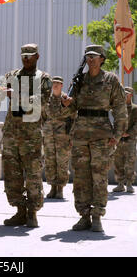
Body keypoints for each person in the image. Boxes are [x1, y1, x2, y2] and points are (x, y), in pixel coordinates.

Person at [49, 45, 127, 232]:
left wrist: (116, 135)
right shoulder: (80, 80)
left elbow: (120, 110)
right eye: (88, 57)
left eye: (94, 56)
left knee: (99, 176)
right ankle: (84, 215)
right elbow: (70, 109)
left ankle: (97, 215)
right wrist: (66, 102)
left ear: (102, 59)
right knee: (81, 177)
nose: (90, 59)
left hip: (102, 135)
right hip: (80, 135)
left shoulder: (110, 80)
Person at [1, 43, 52, 228]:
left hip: (31, 136)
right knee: (12, 175)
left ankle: (32, 212)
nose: (26, 58)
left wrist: (19, 96)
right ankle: (19, 210)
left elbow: (43, 102)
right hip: (11, 133)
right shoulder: (11, 76)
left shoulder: (44, 78)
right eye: (23, 55)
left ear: (37, 56)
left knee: (33, 174)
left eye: (30, 55)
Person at [43, 76, 74, 199]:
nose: (55, 85)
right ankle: (52, 187)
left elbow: (73, 118)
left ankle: (60, 188)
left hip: (63, 136)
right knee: (50, 161)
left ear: (62, 85)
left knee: (62, 162)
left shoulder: (67, 99)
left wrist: (71, 136)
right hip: (49, 135)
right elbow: (43, 116)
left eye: (58, 83)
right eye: (54, 83)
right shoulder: (46, 100)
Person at [112, 86, 137, 194]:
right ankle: (120, 184)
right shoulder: (118, 108)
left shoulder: (135, 108)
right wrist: (117, 133)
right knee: (118, 162)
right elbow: (115, 122)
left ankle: (129, 184)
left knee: (130, 162)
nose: (125, 95)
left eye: (127, 93)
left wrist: (129, 133)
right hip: (119, 139)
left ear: (131, 95)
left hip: (130, 139)